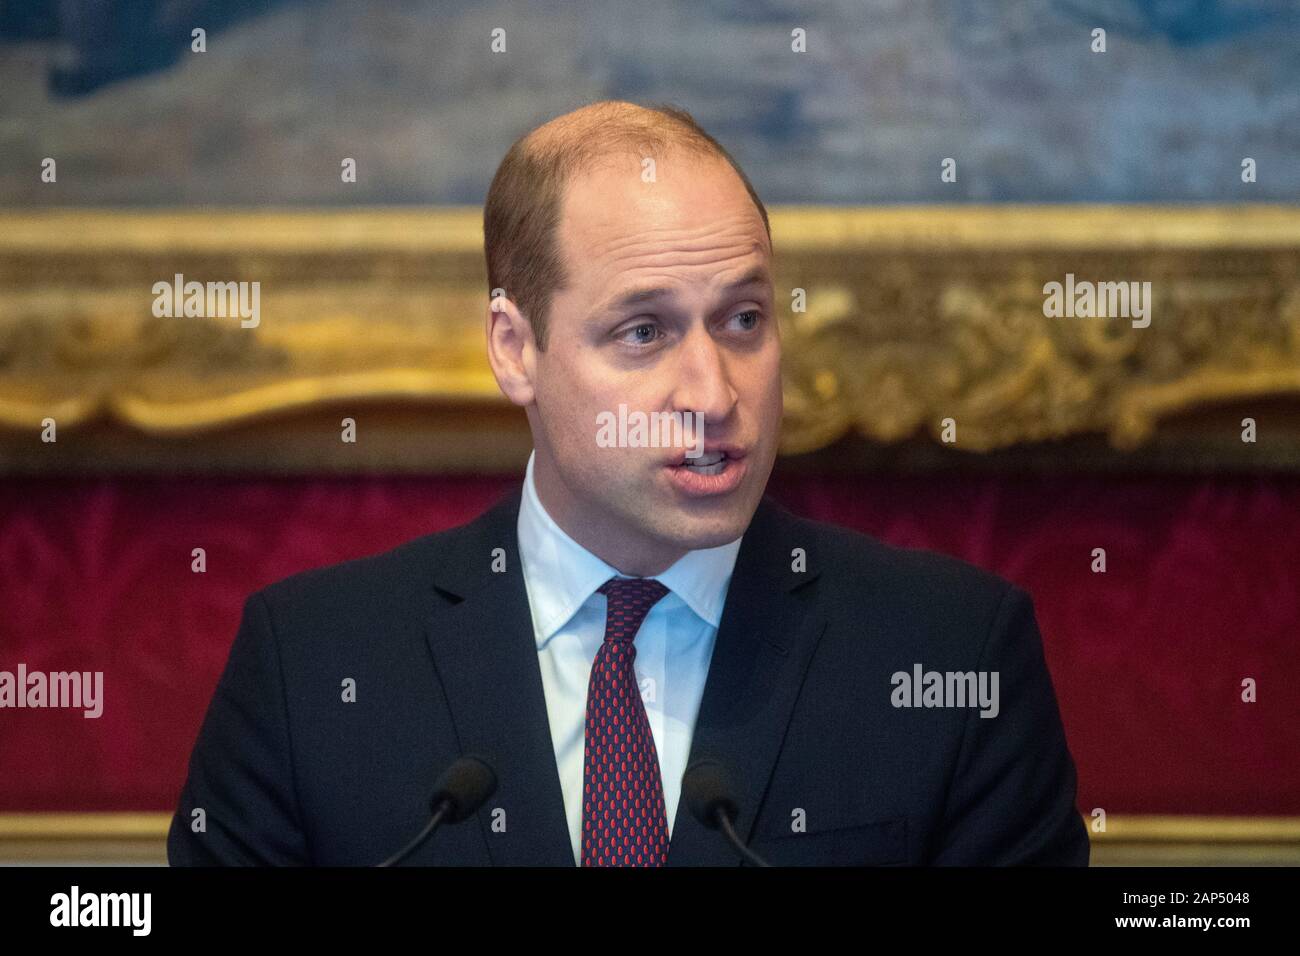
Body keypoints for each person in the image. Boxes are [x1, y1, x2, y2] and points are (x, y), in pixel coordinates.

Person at [168, 100, 1089, 866]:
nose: (713, 393)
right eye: (643, 332)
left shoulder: (956, 651)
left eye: (743, 319)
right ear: (514, 348)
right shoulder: (312, 665)